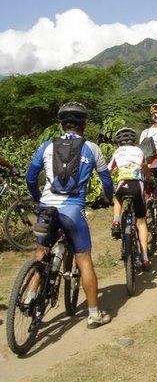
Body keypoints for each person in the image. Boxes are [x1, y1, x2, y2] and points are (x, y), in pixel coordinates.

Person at [26, 102, 114, 328]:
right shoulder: (92, 148)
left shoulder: (46, 145)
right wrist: (107, 198)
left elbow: (30, 176)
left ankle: (29, 295)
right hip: (73, 210)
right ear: (83, 125)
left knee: (41, 251)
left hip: (47, 207)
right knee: (84, 261)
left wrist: (38, 198)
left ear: (61, 124)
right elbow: (106, 180)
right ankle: (94, 315)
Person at [108, 127, 152, 271]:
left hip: (122, 185)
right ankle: (145, 256)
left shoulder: (117, 152)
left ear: (118, 142)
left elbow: (109, 169)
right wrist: (150, 180)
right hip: (137, 187)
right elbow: (145, 168)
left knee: (118, 198)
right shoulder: (139, 151)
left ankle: (115, 220)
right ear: (134, 141)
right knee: (141, 222)